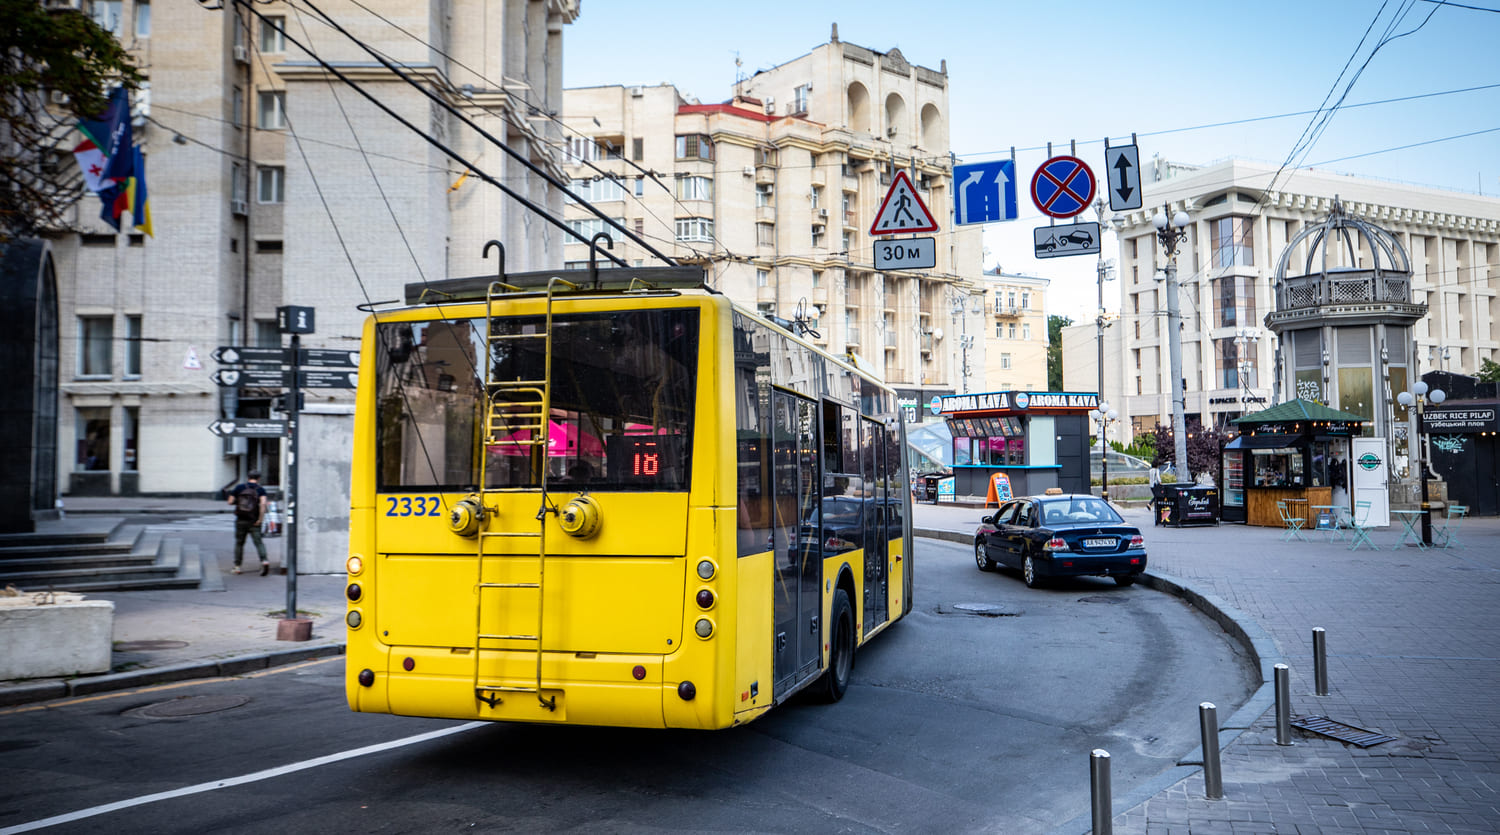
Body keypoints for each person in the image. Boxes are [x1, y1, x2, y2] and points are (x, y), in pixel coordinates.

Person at [227, 470, 269, 575]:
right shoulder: (260, 489)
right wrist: (260, 519)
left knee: (239, 543)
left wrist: (239, 502)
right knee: (258, 542)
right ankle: (264, 561)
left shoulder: (239, 487)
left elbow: (230, 501)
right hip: (254, 520)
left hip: (241, 519)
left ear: (248, 477)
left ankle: (237, 567)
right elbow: (263, 505)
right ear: (258, 478)